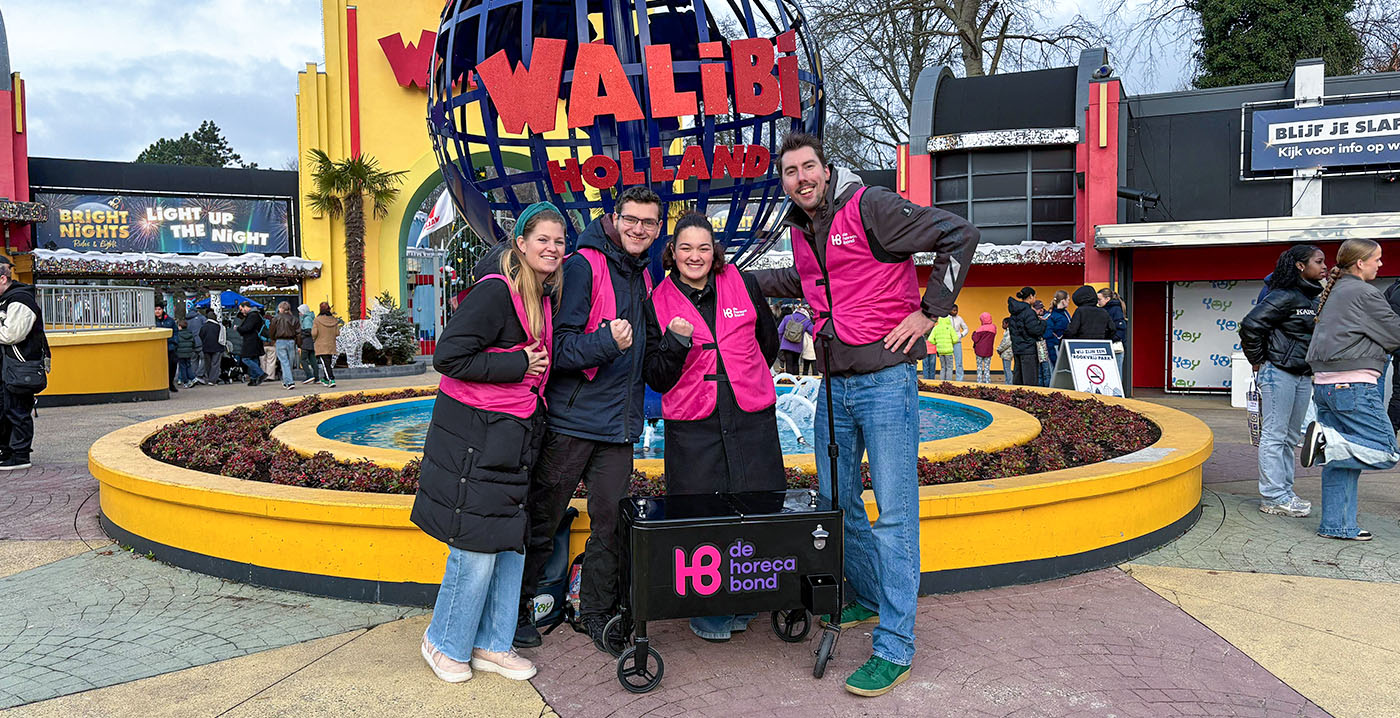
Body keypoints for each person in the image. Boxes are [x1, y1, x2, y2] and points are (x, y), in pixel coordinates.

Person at [750, 133, 976, 697]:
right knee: (837, 503)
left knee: (894, 515)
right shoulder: (802, 230)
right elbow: (802, 281)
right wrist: (722, 275)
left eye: (808, 167)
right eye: (790, 172)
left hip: (885, 382)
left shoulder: (870, 206)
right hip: (833, 387)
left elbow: (959, 235)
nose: (801, 178)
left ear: (826, 171)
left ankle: (895, 645)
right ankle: (870, 597)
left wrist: (930, 313)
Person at [412, 200, 564, 684]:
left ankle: (493, 643)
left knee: (509, 545)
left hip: (512, 438)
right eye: (542, 239)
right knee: (476, 546)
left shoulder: (540, 295)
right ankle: (443, 641)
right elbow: (449, 357)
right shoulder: (496, 292)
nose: (552, 248)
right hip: (474, 439)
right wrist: (518, 364)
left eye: (559, 241)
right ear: (520, 243)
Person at [514, 186, 662, 651]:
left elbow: (644, 357)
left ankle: (595, 613)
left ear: (657, 229)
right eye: (631, 219)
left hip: (617, 428)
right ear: (615, 219)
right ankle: (515, 610)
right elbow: (556, 347)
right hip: (571, 423)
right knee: (542, 520)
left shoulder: (641, 274)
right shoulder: (583, 265)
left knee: (611, 525)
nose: (639, 228)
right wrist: (605, 343)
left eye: (649, 222)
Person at [642, 212, 782, 641]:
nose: (695, 256)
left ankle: (748, 596)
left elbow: (769, 342)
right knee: (701, 515)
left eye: (704, 247)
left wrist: (743, 374)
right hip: (693, 426)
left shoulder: (744, 283)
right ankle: (709, 608)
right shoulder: (656, 301)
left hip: (749, 417)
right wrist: (675, 342)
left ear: (714, 251)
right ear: (672, 252)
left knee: (756, 504)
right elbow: (655, 376)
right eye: (686, 247)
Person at [1300, 239, 1400, 541]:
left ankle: (1337, 525)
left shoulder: (1336, 292)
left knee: (1342, 458)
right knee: (1385, 450)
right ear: (1359, 262)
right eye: (1376, 259)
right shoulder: (1363, 293)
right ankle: (1326, 443)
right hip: (1353, 385)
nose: (1380, 264)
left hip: (1326, 386)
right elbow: (1396, 334)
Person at [1238, 244, 1327, 518]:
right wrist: (1259, 360)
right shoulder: (1284, 295)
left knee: (1289, 437)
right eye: (1318, 261)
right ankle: (1273, 497)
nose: (1325, 266)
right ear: (1300, 265)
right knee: (1275, 436)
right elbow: (1250, 325)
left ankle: (1285, 492)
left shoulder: (1312, 298)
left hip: (1302, 374)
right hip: (1278, 373)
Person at [0, 258, 47, 470]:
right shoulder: (5, 300)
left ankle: (20, 455)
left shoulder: (20, 300)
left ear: (3, 279)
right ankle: (6, 451)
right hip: (7, 367)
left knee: (17, 411)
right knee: (4, 410)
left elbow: (12, 334)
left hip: (19, 367)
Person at [1006, 287, 1045, 386]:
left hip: (1017, 348)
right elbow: (1035, 330)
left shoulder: (1014, 313)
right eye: (1035, 296)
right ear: (1031, 296)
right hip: (1029, 350)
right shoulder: (1029, 312)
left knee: (1018, 380)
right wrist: (1043, 323)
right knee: (1030, 381)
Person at [235, 302, 268, 386]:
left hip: (251, 341)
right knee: (254, 359)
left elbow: (248, 328)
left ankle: (261, 374)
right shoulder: (256, 315)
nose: (241, 311)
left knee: (245, 359)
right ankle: (254, 378)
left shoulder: (252, 316)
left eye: (241, 309)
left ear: (246, 307)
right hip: (256, 340)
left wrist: (238, 328)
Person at [270, 302, 299, 390]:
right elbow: (298, 332)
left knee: (284, 362)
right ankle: (287, 381)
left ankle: (289, 382)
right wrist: (299, 344)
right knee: (289, 362)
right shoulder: (294, 319)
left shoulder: (276, 318)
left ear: (280, 308)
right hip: (291, 341)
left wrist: (273, 339)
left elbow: (272, 330)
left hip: (280, 340)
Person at [777, 305, 813, 375]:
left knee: (788, 363)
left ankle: (790, 380)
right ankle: (796, 379)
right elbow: (812, 332)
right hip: (797, 345)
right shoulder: (806, 321)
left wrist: (781, 342)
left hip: (786, 345)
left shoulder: (787, 317)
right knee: (796, 363)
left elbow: (779, 331)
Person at [1099, 288, 1128, 373]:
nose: (1098, 302)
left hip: (1113, 345)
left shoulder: (1115, 309)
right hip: (1110, 344)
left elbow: (1121, 328)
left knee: (1115, 373)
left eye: (1100, 299)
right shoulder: (1109, 309)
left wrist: (1110, 340)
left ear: (1107, 299)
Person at [312, 302, 340, 387]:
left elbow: (314, 333)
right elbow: (337, 333)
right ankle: (325, 379)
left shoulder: (317, 320)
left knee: (325, 364)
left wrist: (314, 339)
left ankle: (331, 379)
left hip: (321, 345)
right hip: (331, 344)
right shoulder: (334, 320)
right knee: (328, 363)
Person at [154, 302, 178, 393]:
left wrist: (175, 342)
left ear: (162, 310)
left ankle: (170, 382)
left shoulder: (170, 321)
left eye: (159, 309)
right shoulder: (152, 321)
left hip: (169, 346)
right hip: (157, 348)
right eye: (156, 309)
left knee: (172, 365)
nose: (157, 311)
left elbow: (175, 332)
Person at [1044, 291, 1070, 369]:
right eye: (1068, 300)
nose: (1069, 302)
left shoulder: (1065, 313)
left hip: (1064, 346)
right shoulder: (1052, 316)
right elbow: (1049, 336)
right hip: (1056, 347)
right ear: (1063, 301)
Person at [199, 308, 223, 387]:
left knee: (208, 364)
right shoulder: (218, 326)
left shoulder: (204, 327)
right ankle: (213, 380)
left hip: (206, 347)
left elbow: (201, 335)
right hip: (217, 347)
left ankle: (209, 377)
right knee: (215, 364)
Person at [297, 303, 321, 385]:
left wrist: (300, 334)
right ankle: (316, 378)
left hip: (306, 342)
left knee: (303, 360)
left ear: (303, 311)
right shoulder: (311, 317)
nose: (299, 313)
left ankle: (309, 375)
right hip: (311, 343)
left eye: (300, 311)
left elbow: (308, 331)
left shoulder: (306, 319)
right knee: (313, 360)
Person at [970, 312, 997, 383]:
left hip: (979, 351)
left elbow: (975, 339)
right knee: (987, 367)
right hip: (989, 351)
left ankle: (979, 381)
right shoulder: (993, 328)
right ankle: (987, 381)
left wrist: (974, 333)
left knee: (979, 367)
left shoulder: (980, 329)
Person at [928, 315, 956, 381]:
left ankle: (942, 382)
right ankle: (948, 382)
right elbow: (955, 339)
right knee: (949, 367)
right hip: (949, 351)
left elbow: (930, 339)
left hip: (940, 351)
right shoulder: (950, 328)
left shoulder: (936, 328)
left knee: (943, 367)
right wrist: (951, 342)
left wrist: (937, 343)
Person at [174, 320, 197, 388]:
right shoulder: (190, 333)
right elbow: (193, 343)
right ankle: (192, 378)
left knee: (182, 367)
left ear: (180, 327)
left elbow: (176, 344)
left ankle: (186, 381)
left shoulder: (178, 334)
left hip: (180, 353)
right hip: (189, 352)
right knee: (188, 365)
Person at [948, 304, 968, 381]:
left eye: (956, 310)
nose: (955, 312)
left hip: (957, 342)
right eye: (954, 310)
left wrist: (961, 335)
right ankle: (948, 379)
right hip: (948, 342)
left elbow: (966, 329)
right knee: (949, 362)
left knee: (959, 362)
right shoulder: (945, 318)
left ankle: (959, 379)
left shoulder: (959, 319)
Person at [997, 318, 1015, 386]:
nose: (1002, 325)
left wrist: (999, 349)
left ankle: (1009, 383)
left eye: (1003, 323)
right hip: (1005, 353)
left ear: (1007, 324)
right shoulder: (1007, 332)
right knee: (1006, 369)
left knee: (1007, 369)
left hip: (1007, 353)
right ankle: (1008, 382)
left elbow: (1006, 343)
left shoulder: (1009, 332)